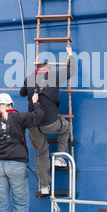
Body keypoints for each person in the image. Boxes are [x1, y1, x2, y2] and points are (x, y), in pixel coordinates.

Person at [20, 46, 77, 195]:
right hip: (50, 123)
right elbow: (72, 70)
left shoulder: (29, 79)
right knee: (66, 127)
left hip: (33, 126)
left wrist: (30, 80)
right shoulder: (54, 76)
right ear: (48, 69)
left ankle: (44, 186)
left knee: (42, 153)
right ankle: (59, 157)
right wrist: (70, 55)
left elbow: (21, 93)